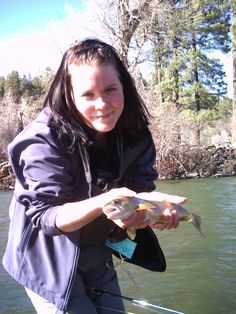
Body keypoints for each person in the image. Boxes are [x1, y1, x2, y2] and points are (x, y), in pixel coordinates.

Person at [2, 38, 187, 314]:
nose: (103, 104)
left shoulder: (136, 134)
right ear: (70, 95)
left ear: (124, 86)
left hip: (98, 250)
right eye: (88, 94)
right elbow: (46, 217)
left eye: (110, 89)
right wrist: (107, 201)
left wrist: (148, 214)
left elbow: (140, 191)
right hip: (47, 258)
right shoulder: (42, 140)